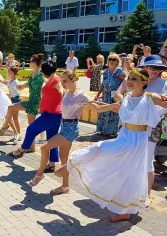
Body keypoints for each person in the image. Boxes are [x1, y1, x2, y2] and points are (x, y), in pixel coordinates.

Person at [56, 69, 167, 222]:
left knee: (101, 149)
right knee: (120, 170)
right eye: (129, 78)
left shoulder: (150, 97)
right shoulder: (126, 97)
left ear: (144, 83)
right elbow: (113, 102)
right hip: (124, 135)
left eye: (134, 79)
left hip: (137, 140)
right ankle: (124, 211)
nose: (130, 81)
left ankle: (69, 165)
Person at [27, 70, 119, 195]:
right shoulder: (67, 92)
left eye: (65, 81)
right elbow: (95, 102)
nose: (62, 83)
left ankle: (39, 174)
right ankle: (65, 187)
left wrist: (113, 106)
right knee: (63, 158)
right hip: (64, 126)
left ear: (73, 80)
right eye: (61, 81)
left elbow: (96, 108)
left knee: (44, 147)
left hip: (71, 129)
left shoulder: (80, 95)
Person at [116, 55, 167, 196]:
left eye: (159, 68)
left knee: (147, 161)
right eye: (152, 67)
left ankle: (146, 194)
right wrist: (127, 104)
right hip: (128, 126)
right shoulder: (133, 78)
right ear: (144, 67)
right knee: (127, 158)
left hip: (151, 126)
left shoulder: (164, 84)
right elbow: (118, 94)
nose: (155, 70)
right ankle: (130, 191)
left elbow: (164, 105)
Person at [10, 60, 63, 173]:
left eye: (43, 71)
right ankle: (52, 165)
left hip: (51, 115)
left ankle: (23, 148)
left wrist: (62, 92)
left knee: (31, 129)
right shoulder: (50, 79)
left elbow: (61, 90)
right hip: (52, 114)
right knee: (52, 140)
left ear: (46, 71)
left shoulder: (56, 80)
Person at [0, 54, 44, 145]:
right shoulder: (33, 74)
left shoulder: (40, 75)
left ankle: (31, 146)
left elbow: (48, 81)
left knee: (31, 126)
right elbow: (28, 83)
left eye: (30, 61)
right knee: (11, 108)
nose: (29, 63)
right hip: (31, 101)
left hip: (35, 102)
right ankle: (5, 127)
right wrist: (21, 86)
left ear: (34, 63)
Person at [95, 53, 125, 136]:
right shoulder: (105, 71)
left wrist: (121, 93)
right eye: (110, 59)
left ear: (117, 61)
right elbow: (103, 84)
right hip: (106, 94)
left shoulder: (119, 71)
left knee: (113, 113)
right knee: (104, 111)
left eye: (114, 59)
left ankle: (113, 132)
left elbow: (125, 82)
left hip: (114, 95)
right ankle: (102, 130)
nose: (111, 61)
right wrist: (98, 94)